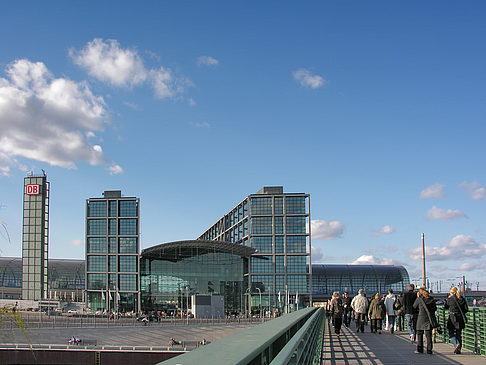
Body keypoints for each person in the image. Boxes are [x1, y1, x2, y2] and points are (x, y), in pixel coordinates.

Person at [444, 286, 468, 354]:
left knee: (451, 333)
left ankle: (456, 343)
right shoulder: (462, 298)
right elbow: (466, 309)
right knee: (458, 334)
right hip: (460, 318)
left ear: (451, 292)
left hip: (452, 317)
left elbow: (445, 307)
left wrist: (447, 300)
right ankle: (459, 349)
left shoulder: (450, 299)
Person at [413, 288, 437, 355]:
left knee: (419, 334)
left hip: (421, 318)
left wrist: (418, 298)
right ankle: (429, 350)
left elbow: (414, 306)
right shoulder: (431, 300)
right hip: (429, 318)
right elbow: (435, 308)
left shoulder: (419, 299)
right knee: (428, 335)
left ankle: (420, 349)